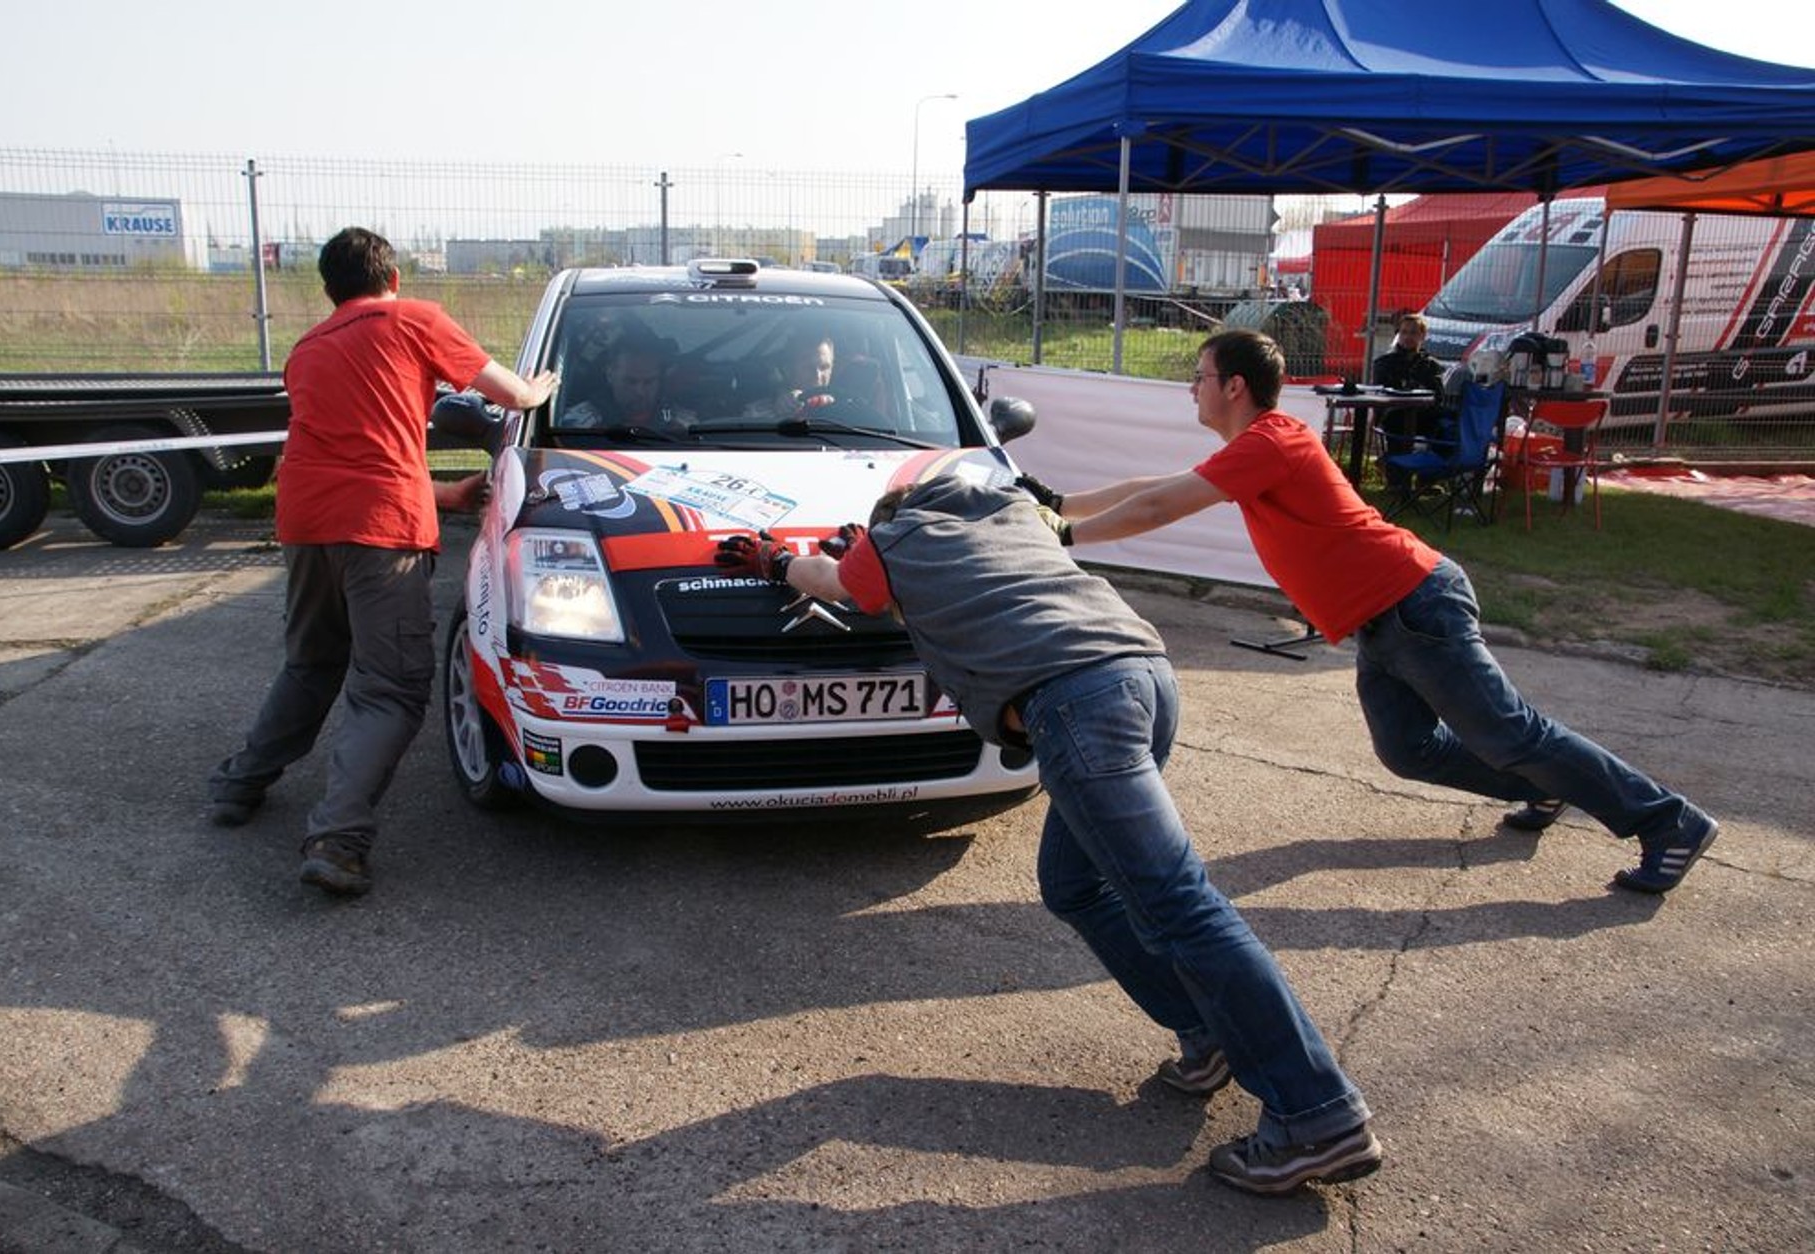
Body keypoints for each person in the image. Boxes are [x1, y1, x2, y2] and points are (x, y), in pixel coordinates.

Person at [713, 477, 1382, 1196]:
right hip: (1146, 677)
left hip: (1074, 703)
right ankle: (1209, 1030)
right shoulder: (1013, 515)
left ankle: (1317, 1112)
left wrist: (776, 560)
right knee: (1073, 884)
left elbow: (831, 584)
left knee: (1181, 905)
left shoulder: (895, 541)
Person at [1031, 328, 1718, 896]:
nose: (1192, 386)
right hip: (1385, 619)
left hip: (1415, 604)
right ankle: (1543, 788)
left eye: (1200, 375)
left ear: (1233, 386)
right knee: (1408, 748)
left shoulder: (1275, 440)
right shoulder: (1254, 447)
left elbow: (1159, 506)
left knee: (1513, 731)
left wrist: (1065, 538)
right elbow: (1157, 487)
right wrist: (1059, 504)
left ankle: (1668, 821)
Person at [207, 226, 558, 898]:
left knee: (311, 664)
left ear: (329, 289)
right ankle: (338, 840)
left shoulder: (307, 349)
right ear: (392, 279)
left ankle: (236, 785)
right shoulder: (412, 318)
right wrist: (539, 388)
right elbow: (512, 396)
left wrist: (446, 494)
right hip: (380, 532)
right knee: (391, 688)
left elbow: (344, 454)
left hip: (307, 523)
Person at [558, 328, 690, 432]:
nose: (640, 391)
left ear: (660, 380)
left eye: (649, 382)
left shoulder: (685, 427)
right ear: (610, 375)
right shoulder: (575, 426)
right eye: (630, 381)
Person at [1370, 313, 1450, 477]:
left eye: (1413, 332)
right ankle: (1397, 478)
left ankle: (1428, 478)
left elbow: (1438, 396)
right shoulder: (1384, 363)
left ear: (1422, 336)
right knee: (1399, 424)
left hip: (1423, 416)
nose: (1407, 337)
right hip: (1394, 415)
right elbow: (1380, 394)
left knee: (1446, 425)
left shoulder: (1430, 365)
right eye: (1404, 332)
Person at [742, 333, 835, 418]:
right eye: (808, 367)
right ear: (788, 370)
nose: (817, 376)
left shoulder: (846, 412)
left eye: (824, 367)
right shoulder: (757, 416)